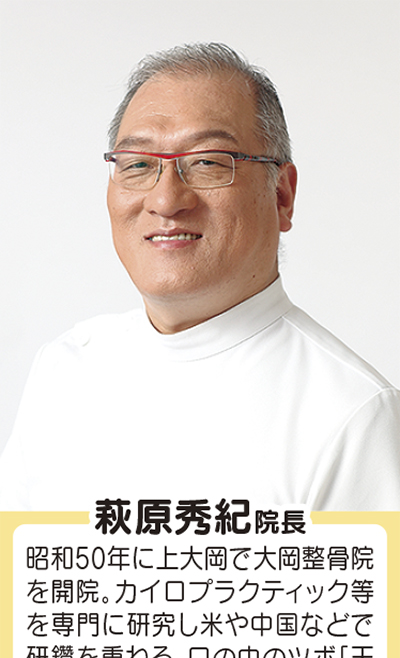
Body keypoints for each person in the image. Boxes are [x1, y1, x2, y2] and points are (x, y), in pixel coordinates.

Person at [0, 42, 399, 510]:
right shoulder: (64, 370)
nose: (165, 201)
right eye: (139, 164)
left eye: (207, 162)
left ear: (282, 195)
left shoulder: (352, 413)